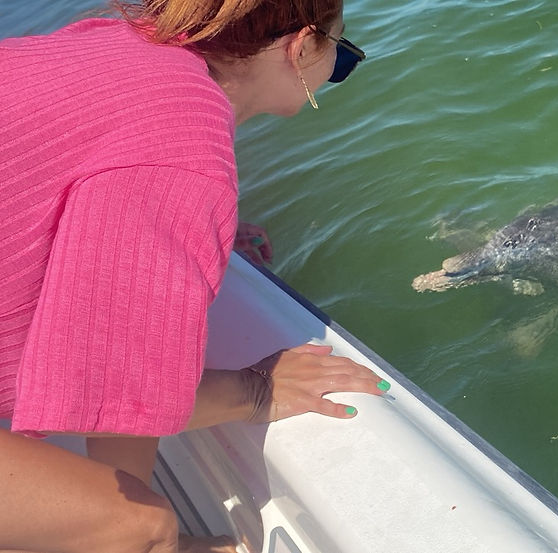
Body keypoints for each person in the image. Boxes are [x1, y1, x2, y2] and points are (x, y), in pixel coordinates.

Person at [0, 0, 380, 550]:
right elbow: (115, 390)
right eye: (341, 56)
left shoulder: (121, 42)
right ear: (300, 49)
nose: (337, 69)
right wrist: (255, 390)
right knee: (139, 528)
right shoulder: (182, 148)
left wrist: (181, 224)